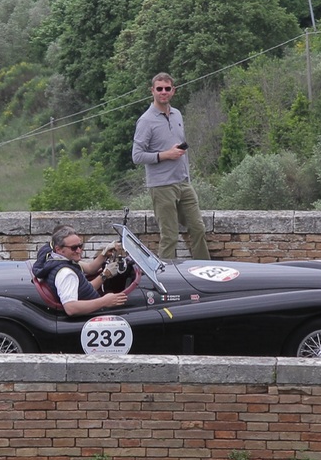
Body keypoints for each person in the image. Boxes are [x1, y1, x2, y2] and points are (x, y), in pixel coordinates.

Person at [131, 72, 210, 262]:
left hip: (183, 183)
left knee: (198, 228)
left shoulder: (177, 114)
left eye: (167, 88)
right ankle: (165, 278)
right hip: (162, 186)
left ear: (173, 91)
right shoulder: (145, 121)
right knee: (170, 236)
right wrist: (165, 155)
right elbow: (136, 156)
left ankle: (206, 271)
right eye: (159, 89)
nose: (163, 92)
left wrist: (186, 176)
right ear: (152, 91)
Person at [31, 227, 130, 317]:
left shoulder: (56, 260)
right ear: (59, 249)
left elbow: (89, 273)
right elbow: (71, 308)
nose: (79, 250)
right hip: (92, 317)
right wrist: (104, 301)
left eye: (80, 246)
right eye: (74, 248)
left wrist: (104, 254)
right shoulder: (66, 273)